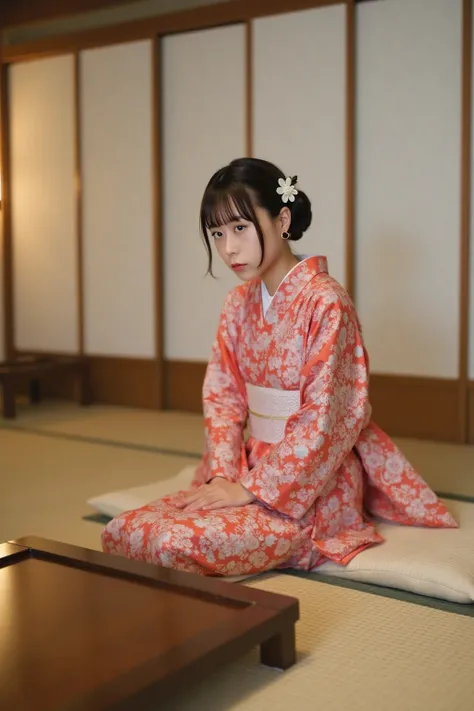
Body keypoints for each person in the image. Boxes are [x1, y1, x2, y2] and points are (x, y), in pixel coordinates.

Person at [102, 157, 457, 575]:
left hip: (312, 487)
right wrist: (223, 474)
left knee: (171, 542)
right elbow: (223, 397)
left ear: (282, 219)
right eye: (217, 234)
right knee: (124, 531)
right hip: (248, 466)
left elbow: (328, 420)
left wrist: (253, 489)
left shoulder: (326, 302)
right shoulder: (237, 304)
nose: (229, 248)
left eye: (240, 228)